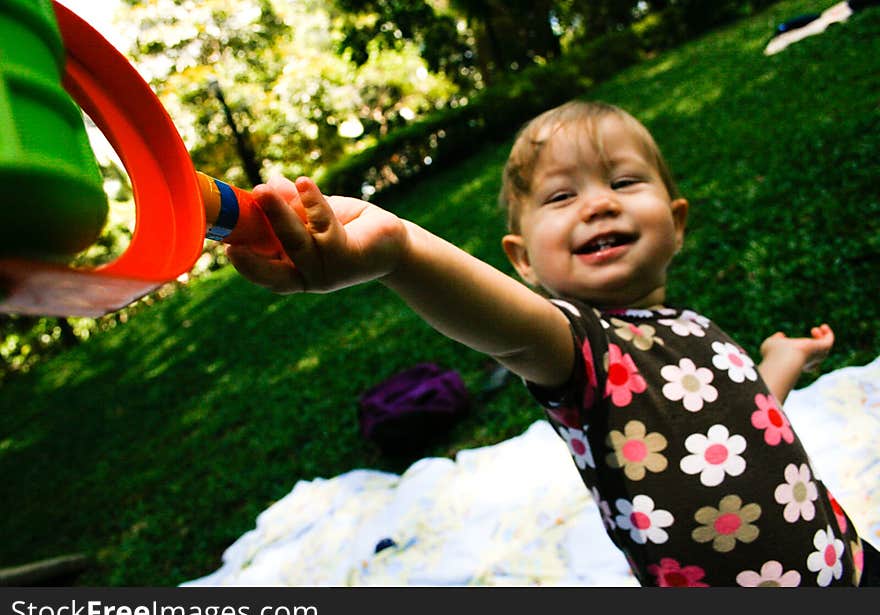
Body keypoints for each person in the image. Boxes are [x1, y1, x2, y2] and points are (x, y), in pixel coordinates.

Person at [227, 100, 878, 587]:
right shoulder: (579, 350)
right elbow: (509, 328)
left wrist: (777, 363)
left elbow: (733, 422)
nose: (598, 204)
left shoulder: (688, 326)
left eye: (623, 182)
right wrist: (401, 252)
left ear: (675, 224)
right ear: (524, 262)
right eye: (562, 196)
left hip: (846, 558)